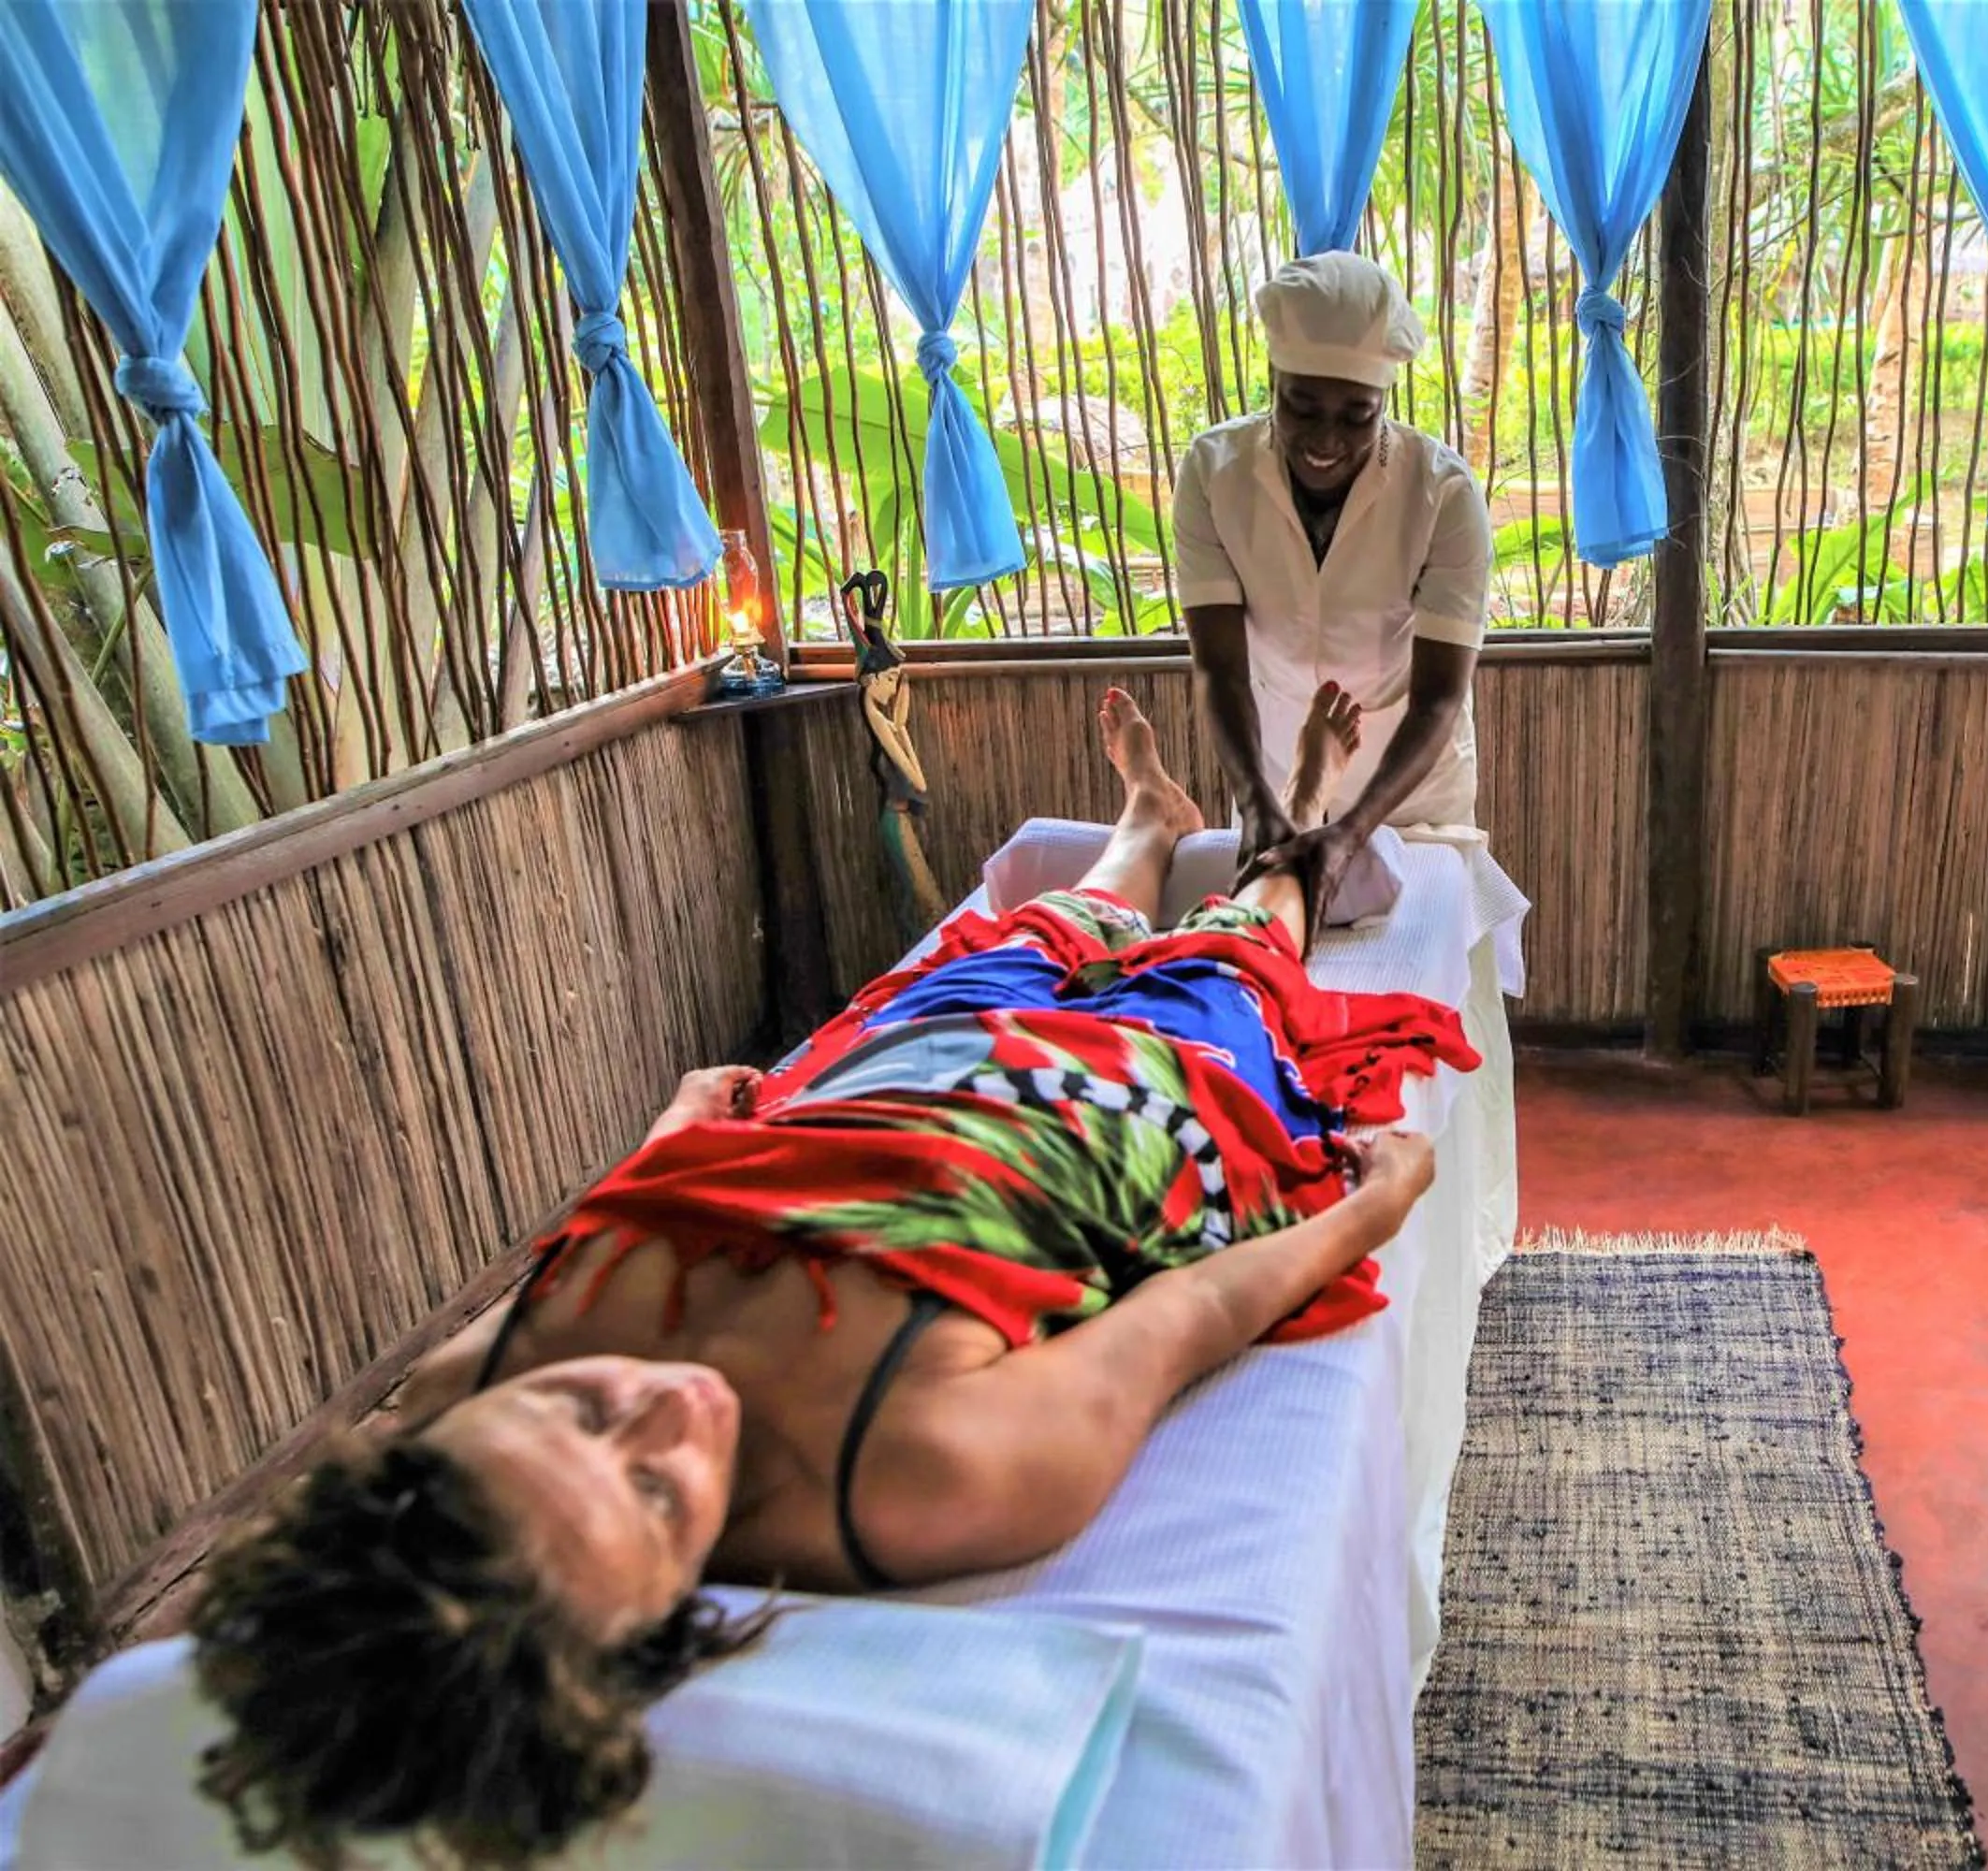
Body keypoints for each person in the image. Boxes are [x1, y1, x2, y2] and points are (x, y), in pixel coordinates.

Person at [185, 688, 1469, 1870]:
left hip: (901, 1070)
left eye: (578, 1406)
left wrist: (672, 1138)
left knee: (1051, 925)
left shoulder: (470, 1381)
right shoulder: (922, 1473)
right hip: (1121, 1102)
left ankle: (1145, 821)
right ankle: (1289, 833)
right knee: (1240, 951)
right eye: (652, 1492)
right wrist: (1374, 1208)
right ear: (657, 1629)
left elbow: (618, 1235)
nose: (663, 1403)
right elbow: (1189, 1311)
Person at [1177, 250, 1493, 910]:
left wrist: (1352, 833)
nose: (1326, 438)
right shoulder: (1215, 474)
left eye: (1357, 415)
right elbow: (1220, 669)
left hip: (1412, 796)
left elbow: (1438, 696)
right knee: (1280, 962)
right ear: (1274, 381)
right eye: (1302, 406)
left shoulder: (1442, 493)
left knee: (1422, 981)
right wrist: (1259, 806)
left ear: (1385, 401)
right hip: (1276, 786)